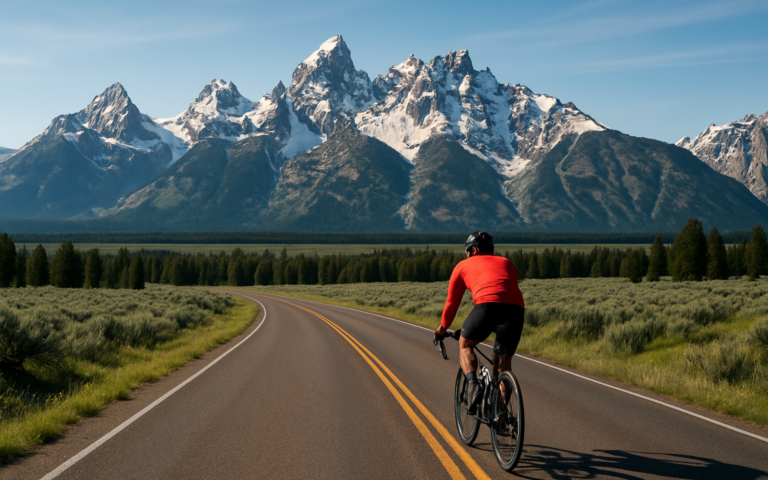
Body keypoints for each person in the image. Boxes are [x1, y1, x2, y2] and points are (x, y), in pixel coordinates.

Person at [434, 231, 525, 415]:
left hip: (487, 306)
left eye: (467, 251)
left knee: (465, 344)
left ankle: (474, 385)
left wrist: (442, 329)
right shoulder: (507, 262)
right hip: (516, 311)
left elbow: (452, 304)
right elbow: (507, 292)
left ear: (473, 250)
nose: (466, 255)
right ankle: (500, 415)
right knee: (503, 361)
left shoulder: (462, 266)